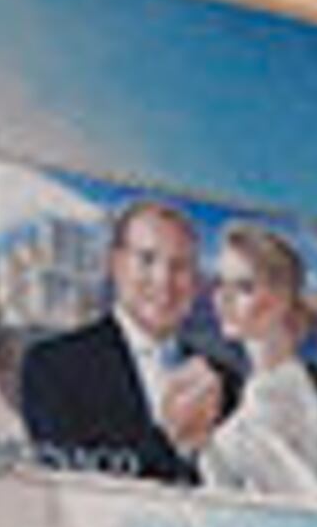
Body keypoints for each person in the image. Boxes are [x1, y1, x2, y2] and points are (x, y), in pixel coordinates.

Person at [14, 197, 237, 485]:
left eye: (180, 266)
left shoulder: (228, 382)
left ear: (196, 279)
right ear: (115, 264)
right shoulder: (52, 367)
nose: (164, 280)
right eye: (147, 259)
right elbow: (72, 492)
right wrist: (167, 438)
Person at [195, 220, 317, 502]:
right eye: (220, 284)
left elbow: (308, 501)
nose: (222, 299)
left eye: (244, 287)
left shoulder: (280, 394)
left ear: (280, 300)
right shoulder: (265, 385)